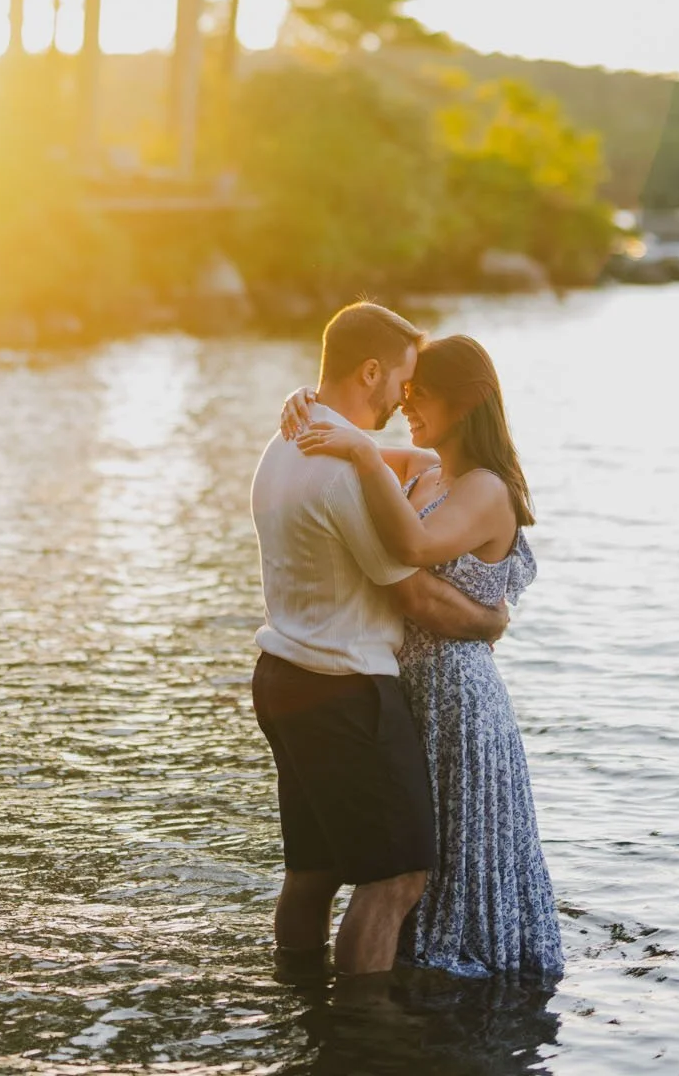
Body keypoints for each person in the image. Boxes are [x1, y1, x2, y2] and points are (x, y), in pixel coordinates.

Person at [287, 332, 563, 978]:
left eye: (421, 396)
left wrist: (362, 452)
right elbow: (333, 440)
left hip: (457, 695)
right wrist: (305, 402)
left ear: (464, 403)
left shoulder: (486, 489)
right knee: (410, 849)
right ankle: (408, 970)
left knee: (452, 849)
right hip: (409, 689)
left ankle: (460, 977)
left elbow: (411, 548)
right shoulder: (428, 469)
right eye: (405, 393)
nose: (406, 407)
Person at [249, 302, 511, 978]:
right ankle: (362, 1027)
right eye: (401, 381)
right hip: (345, 689)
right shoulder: (344, 470)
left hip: (281, 674)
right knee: (395, 877)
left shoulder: (285, 443)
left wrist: (327, 416)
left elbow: (423, 461)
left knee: (313, 869)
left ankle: (299, 994)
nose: (404, 398)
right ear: (370, 371)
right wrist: (490, 622)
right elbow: (413, 593)